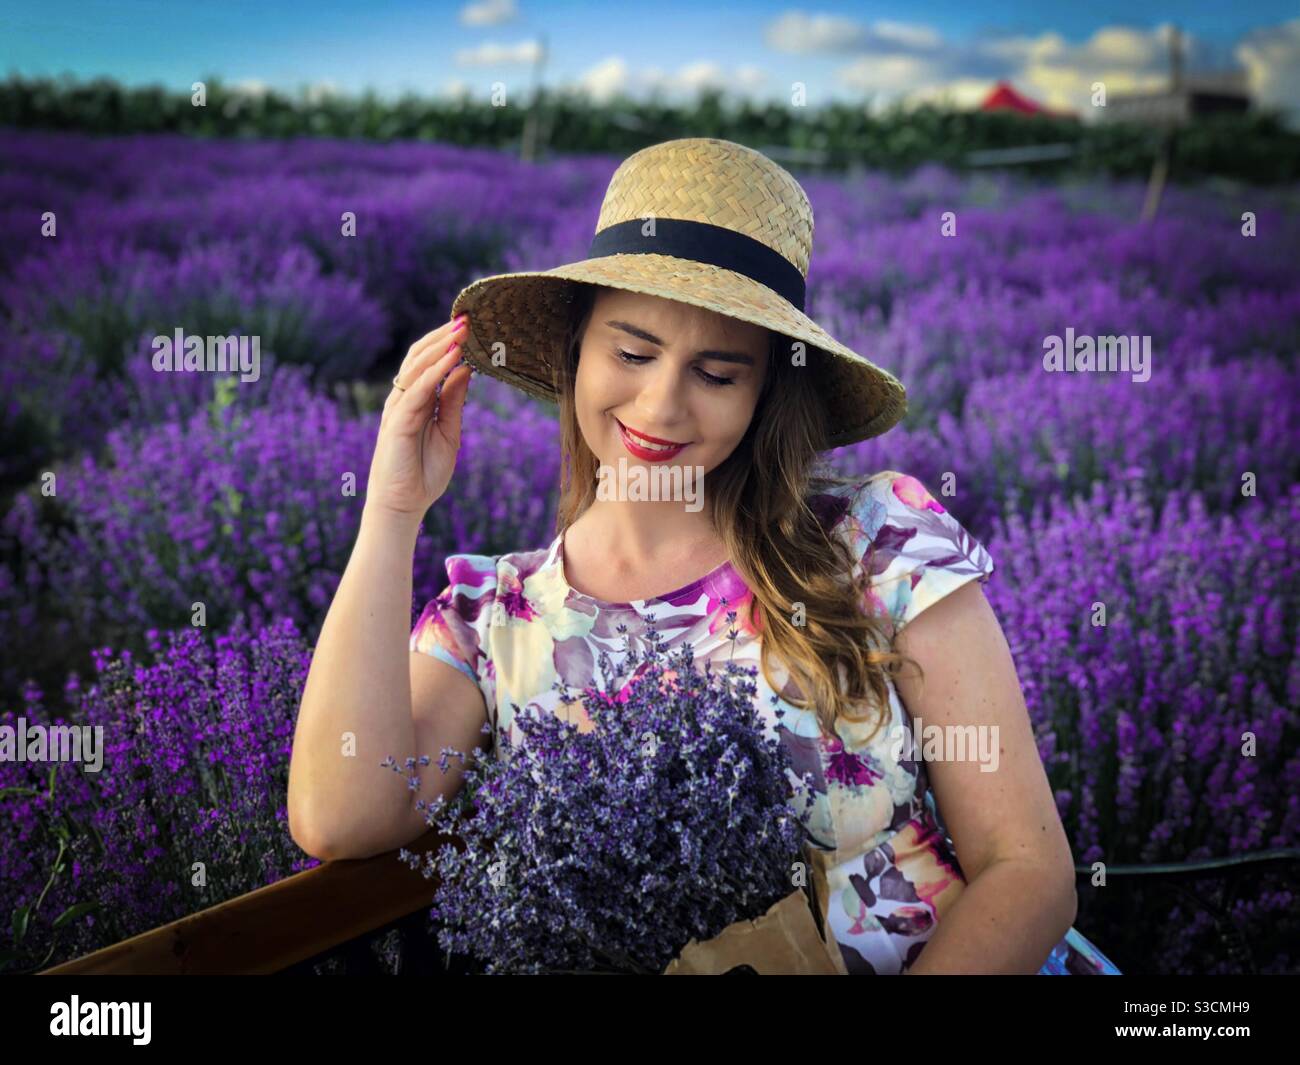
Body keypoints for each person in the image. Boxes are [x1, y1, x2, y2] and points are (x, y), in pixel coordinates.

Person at [290, 137, 1120, 975]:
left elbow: (1029, 870)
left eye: (717, 373)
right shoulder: (495, 618)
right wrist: (393, 509)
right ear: (576, 349)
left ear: (766, 392)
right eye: (633, 352)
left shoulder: (877, 542)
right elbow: (338, 814)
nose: (661, 404)